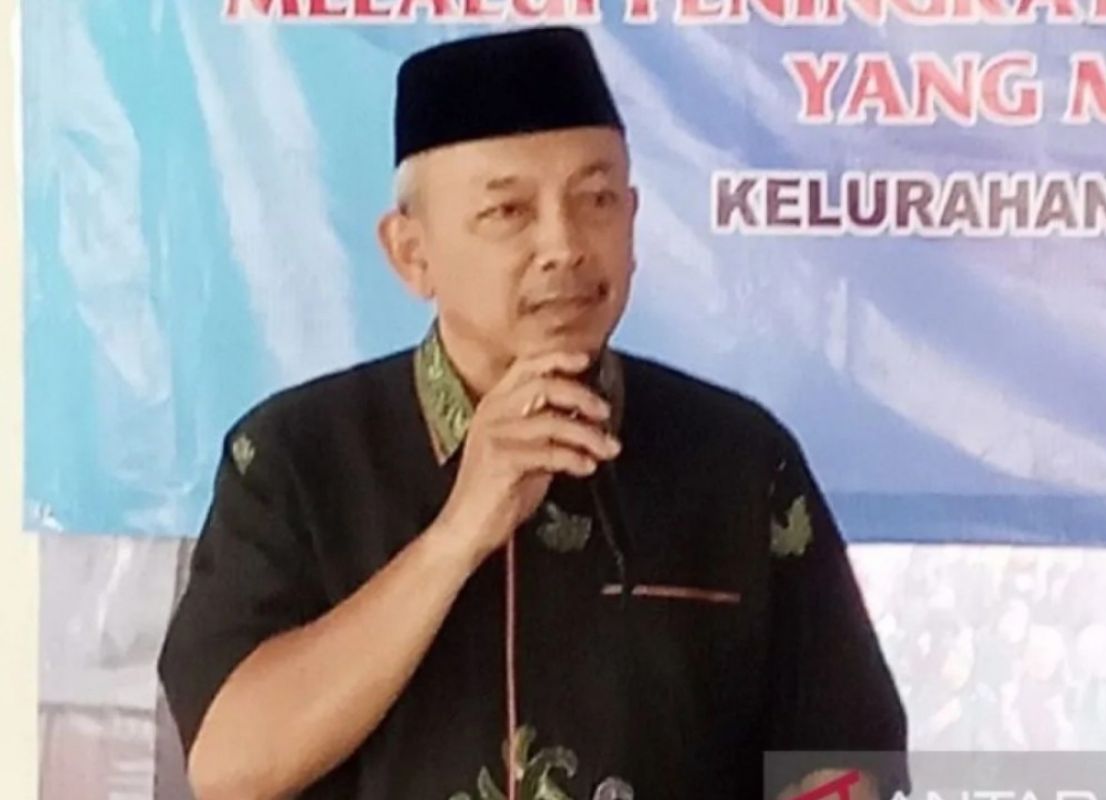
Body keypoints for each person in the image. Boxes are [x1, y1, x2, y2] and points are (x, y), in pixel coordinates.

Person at [158, 26, 909, 800]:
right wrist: (457, 536)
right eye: (508, 211)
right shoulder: (297, 459)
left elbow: (849, 756)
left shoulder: (738, 461)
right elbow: (229, 766)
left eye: (596, 200)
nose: (563, 245)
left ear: (632, 219)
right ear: (411, 253)